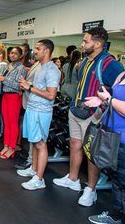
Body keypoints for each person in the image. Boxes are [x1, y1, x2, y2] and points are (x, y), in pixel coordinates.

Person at [53, 27, 124, 207]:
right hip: (76, 109)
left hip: (94, 114)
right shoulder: (84, 61)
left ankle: (91, 190)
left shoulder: (111, 64)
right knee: (75, 144)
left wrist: (102, 105)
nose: (82, 44)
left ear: (98, 44)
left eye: (86, 41)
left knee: (92, 153)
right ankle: (73, 178)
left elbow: (118, 92)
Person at [17, 39, 60, 190]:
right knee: (34, 142)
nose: (34, 51)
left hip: (42, 111)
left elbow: (51, 95)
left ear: (46, 51)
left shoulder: (52, 69)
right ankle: (34, 169)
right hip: (32, 108)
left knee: (41, 144)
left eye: (37, 48)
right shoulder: (41, 66)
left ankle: (39, 179)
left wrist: (30, 87)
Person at [84, 71, 125, 223]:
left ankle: (116, 217)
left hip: (123, 137)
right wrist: (101, 102)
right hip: (112, 135)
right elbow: (114, 100)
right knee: (116, 178)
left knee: (121, 182)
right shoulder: (121, 75)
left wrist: (108, 98)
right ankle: (116, 214)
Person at [0, 47, 27, 159]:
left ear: (20, 56)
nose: (12, 55)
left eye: (15, 53)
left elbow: (19, 85)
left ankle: (12, 148)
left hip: (14, 97)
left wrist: (3, 79)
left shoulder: (21, 68)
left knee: (13, 123)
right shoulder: (9, 66)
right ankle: (6, 145)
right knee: (6, 123)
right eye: (11, 53)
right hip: (5, 95)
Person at [15, 58, 42, 170]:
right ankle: (31, 160)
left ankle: (32, 162)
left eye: (38, 49)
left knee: (36, 139)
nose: (35, 51)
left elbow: (41, 86)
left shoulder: (45, 68)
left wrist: (28, 84)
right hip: (29, 102)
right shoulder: (36, 64)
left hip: (37, 105)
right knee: (31, 136)